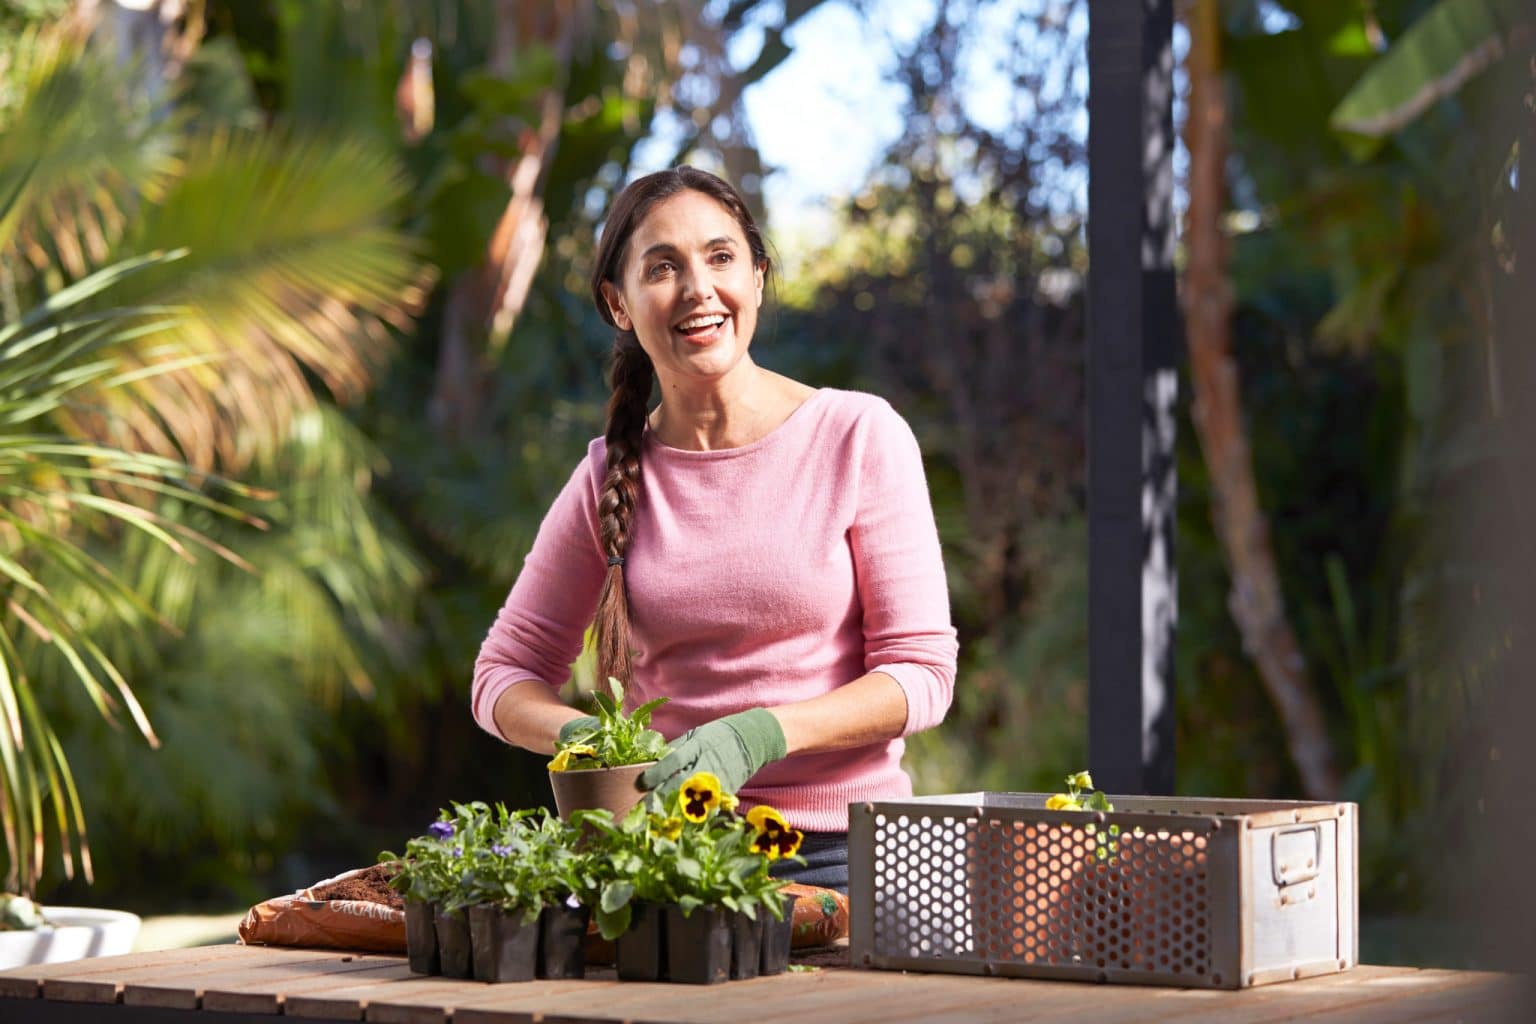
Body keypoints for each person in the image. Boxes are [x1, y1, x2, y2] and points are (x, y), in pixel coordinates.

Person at [471, 166, 957, 891]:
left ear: (758, 277)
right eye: (662, 267)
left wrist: (762, 732)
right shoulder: (608, 476)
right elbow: (501, 677)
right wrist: (590, 742)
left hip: (845, 861)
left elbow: (921, 675)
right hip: (663, 861)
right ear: (619, 304)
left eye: (721, 257)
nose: (699, 288)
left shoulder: (858, 436)